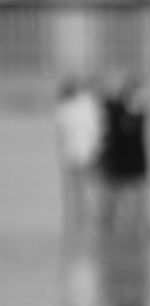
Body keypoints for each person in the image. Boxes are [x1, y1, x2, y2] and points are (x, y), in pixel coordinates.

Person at [98, 76, 150, 237]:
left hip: (137, 163)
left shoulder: (141, 113)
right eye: (137, 93)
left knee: (139, 200)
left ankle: (138, 230)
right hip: (117, 162)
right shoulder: (114, 110)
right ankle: (108, 232)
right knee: (113, 200)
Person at [52, 77, 104, 233]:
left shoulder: (63, 109)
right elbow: (97, 132)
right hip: (87, 154)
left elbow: (59, 134)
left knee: (72, 192)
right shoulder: (89, 106)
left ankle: (74, 223)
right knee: (88, 190)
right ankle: (86, 221)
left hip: (71, 155)